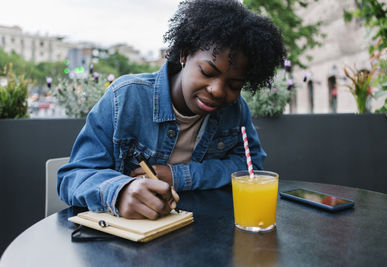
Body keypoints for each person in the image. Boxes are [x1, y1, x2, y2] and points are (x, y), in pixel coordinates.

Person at [58, 0, 285, 220]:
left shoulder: (235, 110)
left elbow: (250, 167)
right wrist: (120, 192)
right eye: (207, 71)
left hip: (205, 237)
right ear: (185, 54)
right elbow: (73, 176)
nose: (218, 90)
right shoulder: (124, 98)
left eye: (234, 85)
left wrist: (180, 176)